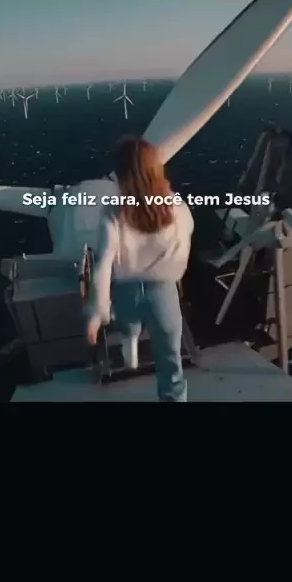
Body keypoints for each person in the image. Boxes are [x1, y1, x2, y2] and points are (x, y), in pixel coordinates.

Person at [85, 134, 194, 402]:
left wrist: (97, 311)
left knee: (128, 324)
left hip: (126, 290)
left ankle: (130, 347)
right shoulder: (175, 208)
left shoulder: (113, 212)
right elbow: (185, 239)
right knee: (170, 360)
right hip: (163, 290)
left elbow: (104, 263)